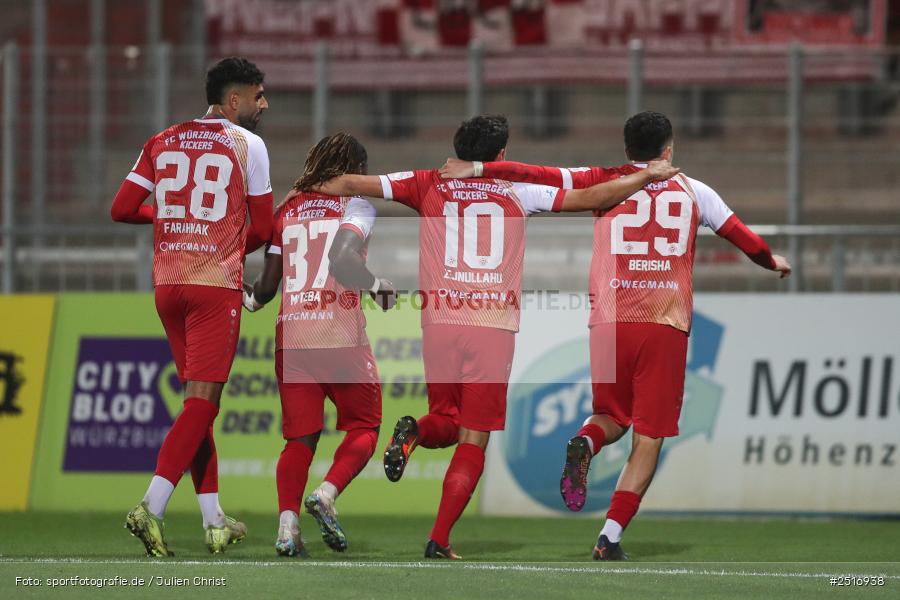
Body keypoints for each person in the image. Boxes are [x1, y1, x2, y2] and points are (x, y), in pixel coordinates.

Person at [316, 115, 678, 559]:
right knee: (473, 437)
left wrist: (308, 186)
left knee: (445, 420)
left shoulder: (426, 182)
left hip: (439, 322)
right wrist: (645, 176)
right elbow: (590, 196)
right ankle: (439, 539)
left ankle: (414, 431)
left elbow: (350, 183)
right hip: (490, 326)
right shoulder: (517, 189)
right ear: (501, 155)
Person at [439, 110, 792, 560]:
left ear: (626, 150)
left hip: (608, 321)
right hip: (664, 322)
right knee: (648, 436)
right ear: (668, 150)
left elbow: (537, 173)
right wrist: (771, 262)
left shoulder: (602, 181)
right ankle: (609, 537)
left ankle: (586, 441)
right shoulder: (695, 190)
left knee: (611, 414)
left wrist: (480, 168)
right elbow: (745, 239)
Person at [110, 57, 273, 556]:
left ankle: (214, 519)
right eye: (257, 96)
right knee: (203, 405)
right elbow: (264, 230)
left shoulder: (161, 139)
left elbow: (120, 208)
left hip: (167, 287)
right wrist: (217, 242)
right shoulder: (249, 144)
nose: (263, 104)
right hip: (213, 288)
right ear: (233, 101)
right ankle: (151, 507)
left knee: (196, 409)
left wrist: (176, 224)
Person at [243, 133, 397, 557]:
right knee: (365, 426)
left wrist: (249, 298)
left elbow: (267, 286)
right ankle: (326, 494)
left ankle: (287, 527)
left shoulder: (288, 207)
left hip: (292, 335)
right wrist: (377, 285)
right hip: (337, 330)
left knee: (299, 440)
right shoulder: (356, 204)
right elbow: (343, 260)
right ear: (354, 171)